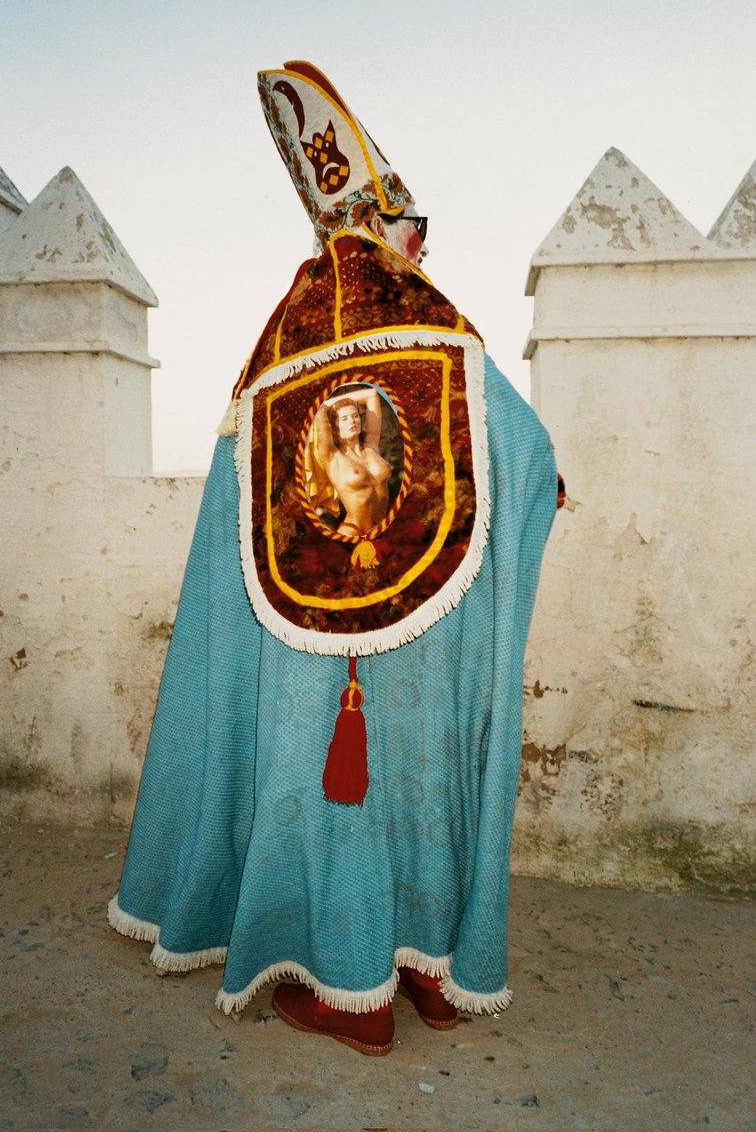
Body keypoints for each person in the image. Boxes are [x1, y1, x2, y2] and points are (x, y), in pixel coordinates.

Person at [109, 60, 558, 1056]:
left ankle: (352, 987)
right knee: (427, 771)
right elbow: (524, 452)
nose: (423, 243)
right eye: (415, 226)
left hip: (305, 630)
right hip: (433, 621)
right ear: (387, 227)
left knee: (329, 782)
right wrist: (539, 490)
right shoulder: (441, 337)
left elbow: (233, 497)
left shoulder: (284, 348)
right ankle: (422, 972)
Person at [314, 389, 391, 535]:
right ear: (334, 428)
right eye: (344, 419)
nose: (352, 421)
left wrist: (338, 404)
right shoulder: (332, 456)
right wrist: (330, 405)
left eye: (355, 416)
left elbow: (372, 394)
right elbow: (319, 410)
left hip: (383, 528)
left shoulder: (371, 445)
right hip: (354, 531)